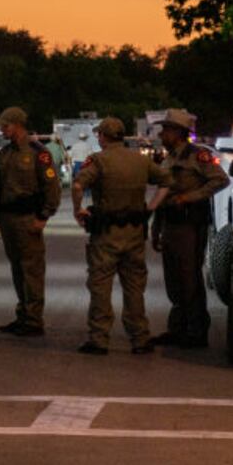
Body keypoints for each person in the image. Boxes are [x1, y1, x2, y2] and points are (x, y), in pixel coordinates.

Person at [70, 117, 171, 355]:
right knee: (135, 287)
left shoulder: (98, 161)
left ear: (103, 136)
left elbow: (77, 186)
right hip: (135, 233)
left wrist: (78, 210)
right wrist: (151, 207)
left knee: (101, 286)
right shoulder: (140, 161)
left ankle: (99, 338)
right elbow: (167, 181)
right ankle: (140, 337)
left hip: (106, 234)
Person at [149, 109, 229, 349]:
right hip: (171, 223)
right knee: (173, 279)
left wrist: (189, 197)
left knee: (189, 277)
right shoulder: (168, 157)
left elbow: (220, 180)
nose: (162, 134)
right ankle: (178, 328)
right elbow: (163, 194)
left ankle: (196, 330)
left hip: (190, 224)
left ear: (178, 132)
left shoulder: (198, 156)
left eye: (166, 129)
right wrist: (156, 229)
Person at [0, 106, 61, 336]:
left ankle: (33, 319)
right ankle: (23, 314)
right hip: (8, 218)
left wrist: (43, 216)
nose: (2, 130)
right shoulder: (4, 154)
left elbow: (52, 187)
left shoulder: (38, 152)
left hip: (28, 217)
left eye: (5, 126)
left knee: (32, 270)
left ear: (18, 125)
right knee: (17, 270)